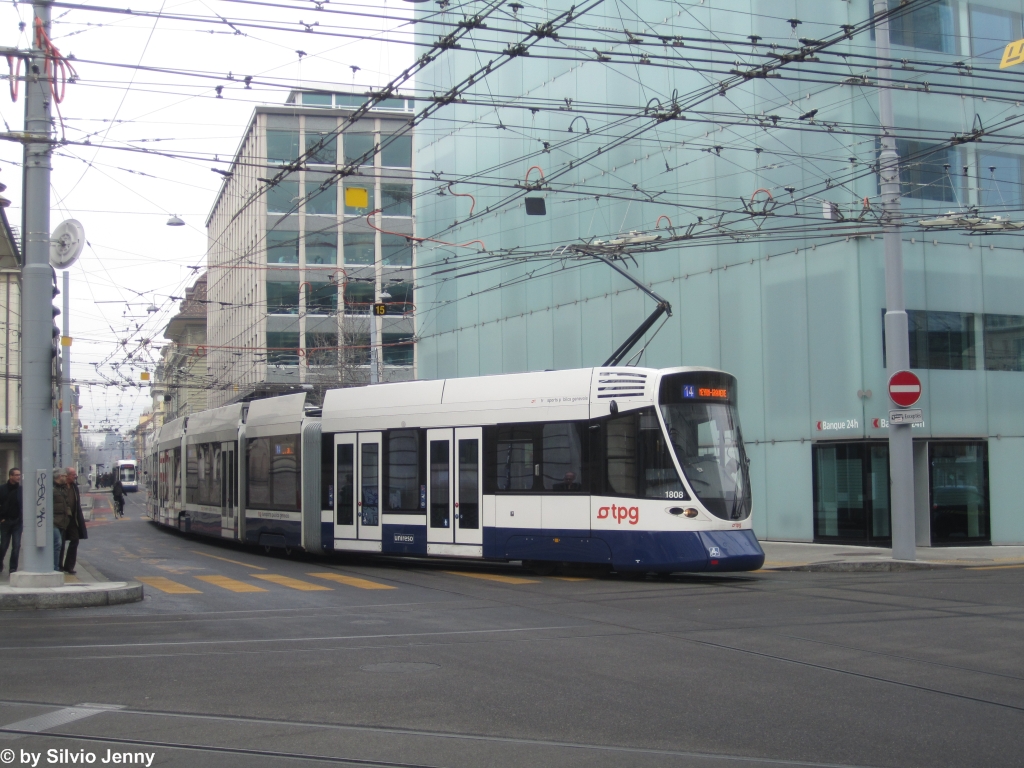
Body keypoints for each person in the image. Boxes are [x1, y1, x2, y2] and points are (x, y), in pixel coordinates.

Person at [62, 467, 87, 574]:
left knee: (75, 540)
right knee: (60, 543)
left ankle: (69, 565)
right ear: (67, 476)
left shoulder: (74, 487)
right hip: (61, 519)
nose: (75, 476)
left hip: (73, 519)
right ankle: (58, 565)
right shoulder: (60, 487)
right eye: (73, 474)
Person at [0, 468, 22, 573]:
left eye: (19, 475)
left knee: (16, 546)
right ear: (11, 476)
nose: (18, 477)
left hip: (17, 522)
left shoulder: (21, 490)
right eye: (16, 475)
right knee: (3, 545)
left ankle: (13, 568)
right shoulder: (2, 489)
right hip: (5, 521)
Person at [53, 469, 72, 572]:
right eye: (65, 475)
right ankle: (55, 568)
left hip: (62, 521)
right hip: (54, 522)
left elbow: (67, 503)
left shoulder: (63, 488)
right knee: (57, 544)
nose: (66, 477)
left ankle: (57, 566)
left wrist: (68, 515)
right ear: (60, 476)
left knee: (59, 545)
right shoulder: (52, 488)